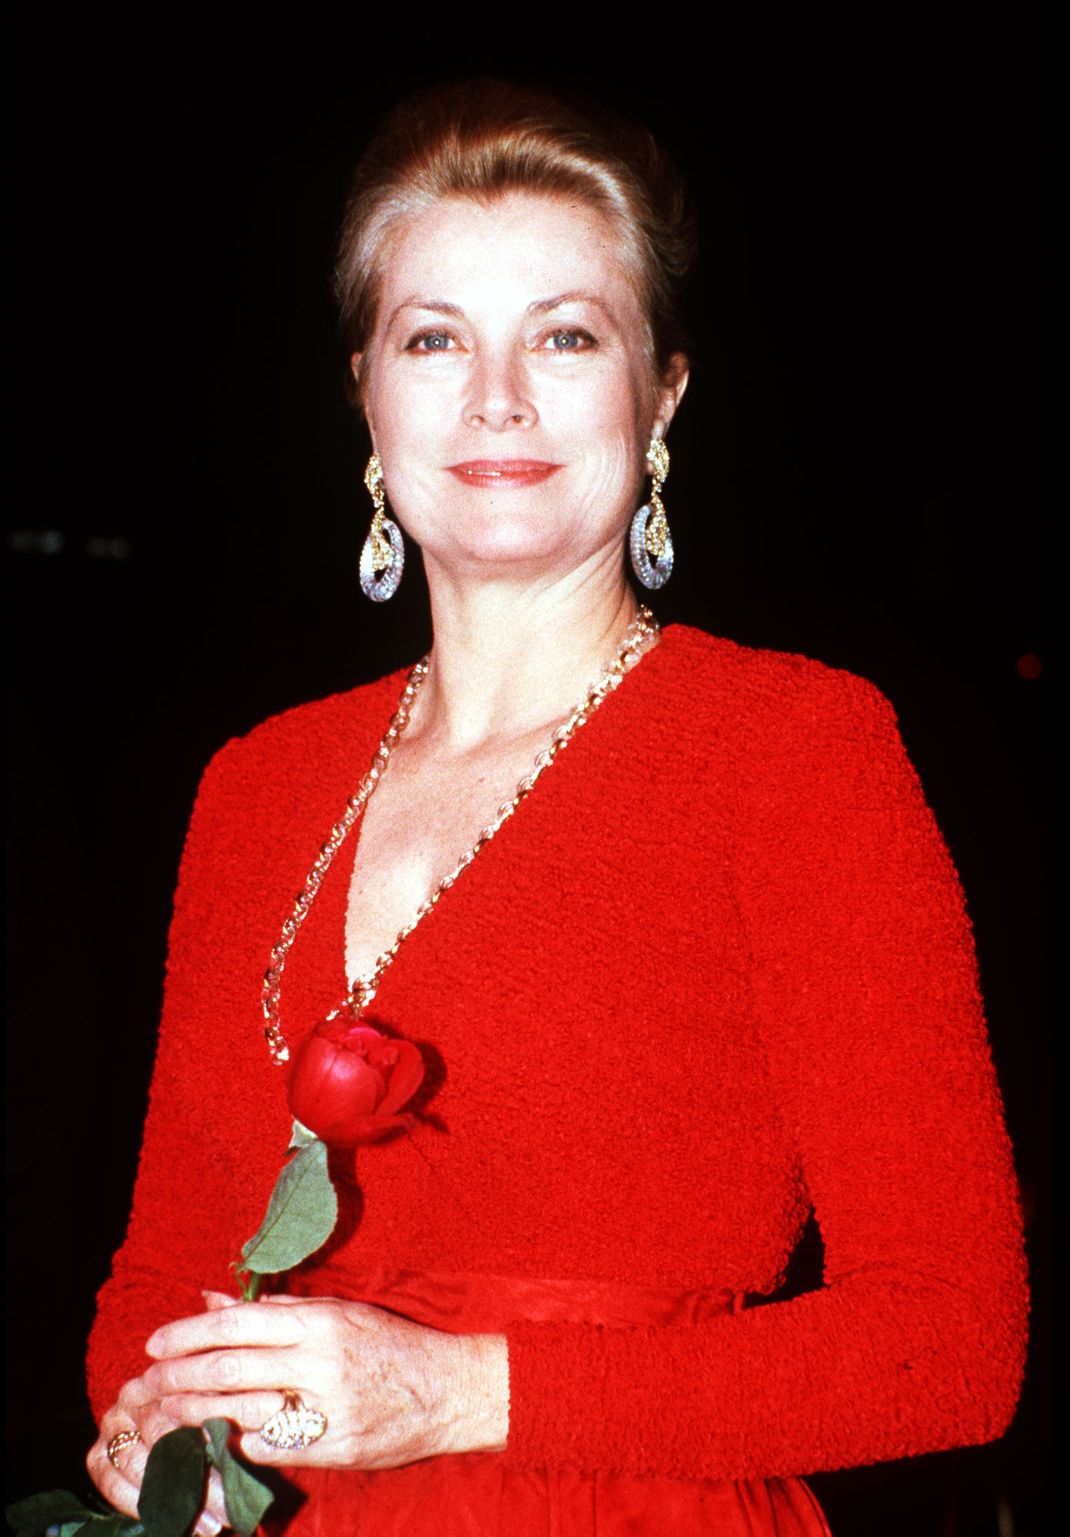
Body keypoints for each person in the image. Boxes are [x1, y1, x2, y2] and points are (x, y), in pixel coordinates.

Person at [85, 81, 1028, 1535]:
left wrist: (465, 1393)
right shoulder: (255, 783)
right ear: (366, 391)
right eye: (435, 338)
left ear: (662, 395)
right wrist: (151, 1424)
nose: (497, 398)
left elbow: (949, 1346)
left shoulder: (792, 750)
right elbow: (160, 1276)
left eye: (566, 336)